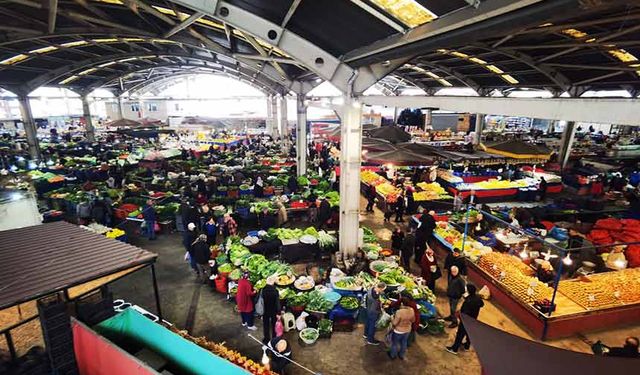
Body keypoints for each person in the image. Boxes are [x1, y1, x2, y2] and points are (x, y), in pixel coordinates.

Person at [445, 284, 484, 354]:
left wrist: (459, 313)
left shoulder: (469, 300)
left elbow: (464, 311)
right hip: (473, 319)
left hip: (465, 320)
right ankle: (466, 346)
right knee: (469, 332)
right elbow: (482, 304)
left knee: (460, 333)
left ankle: (454, 349)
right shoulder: (477, 298)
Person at [262, 276, 280, 343]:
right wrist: (278, 313)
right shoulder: (275, 291)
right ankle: (274, 338)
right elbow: (277, 303)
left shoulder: (262, 290)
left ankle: (266, 339)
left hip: (265, 310)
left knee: (265, 324)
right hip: (273, 310)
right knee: (274, 324)